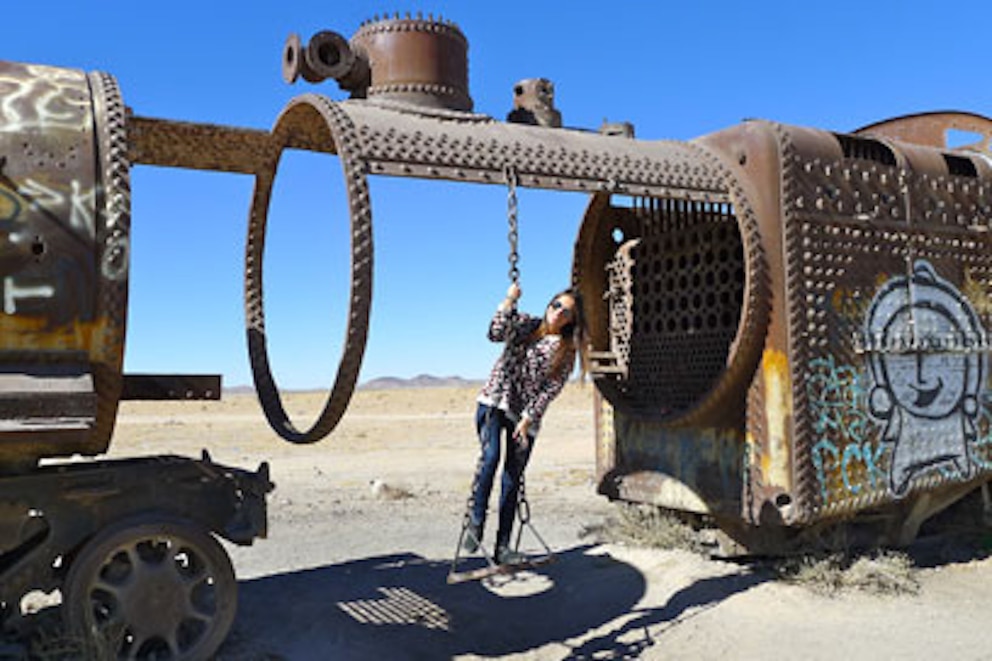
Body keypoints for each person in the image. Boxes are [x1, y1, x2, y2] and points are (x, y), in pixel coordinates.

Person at [463, 283, 588, 564]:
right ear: (549, 304)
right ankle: (476, 521)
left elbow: (551, 389)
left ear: (572, 320)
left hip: (524, 417)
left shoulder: (567, 351)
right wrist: (508, 299)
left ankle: (503, 547)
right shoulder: (525, 324)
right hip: (495, 402)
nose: (559, 313)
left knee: (512, 479)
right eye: (557, 306)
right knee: (490, 457)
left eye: (567, 312)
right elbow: (494, 333)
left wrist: (529, 417)